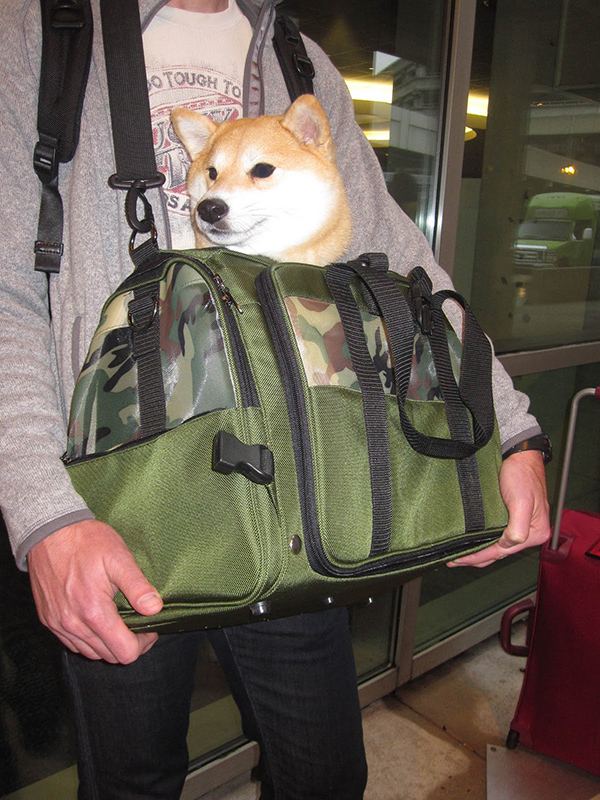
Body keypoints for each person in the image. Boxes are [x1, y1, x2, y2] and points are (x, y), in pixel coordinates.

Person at [0, 0, 551, 797]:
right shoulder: (38, 33)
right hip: (118, 499)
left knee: (326, 772)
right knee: (129, 781)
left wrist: (511, 431)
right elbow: (10, 290)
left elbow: (401, 257)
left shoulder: (297, 55)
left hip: (298, 488)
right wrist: (45, 515)